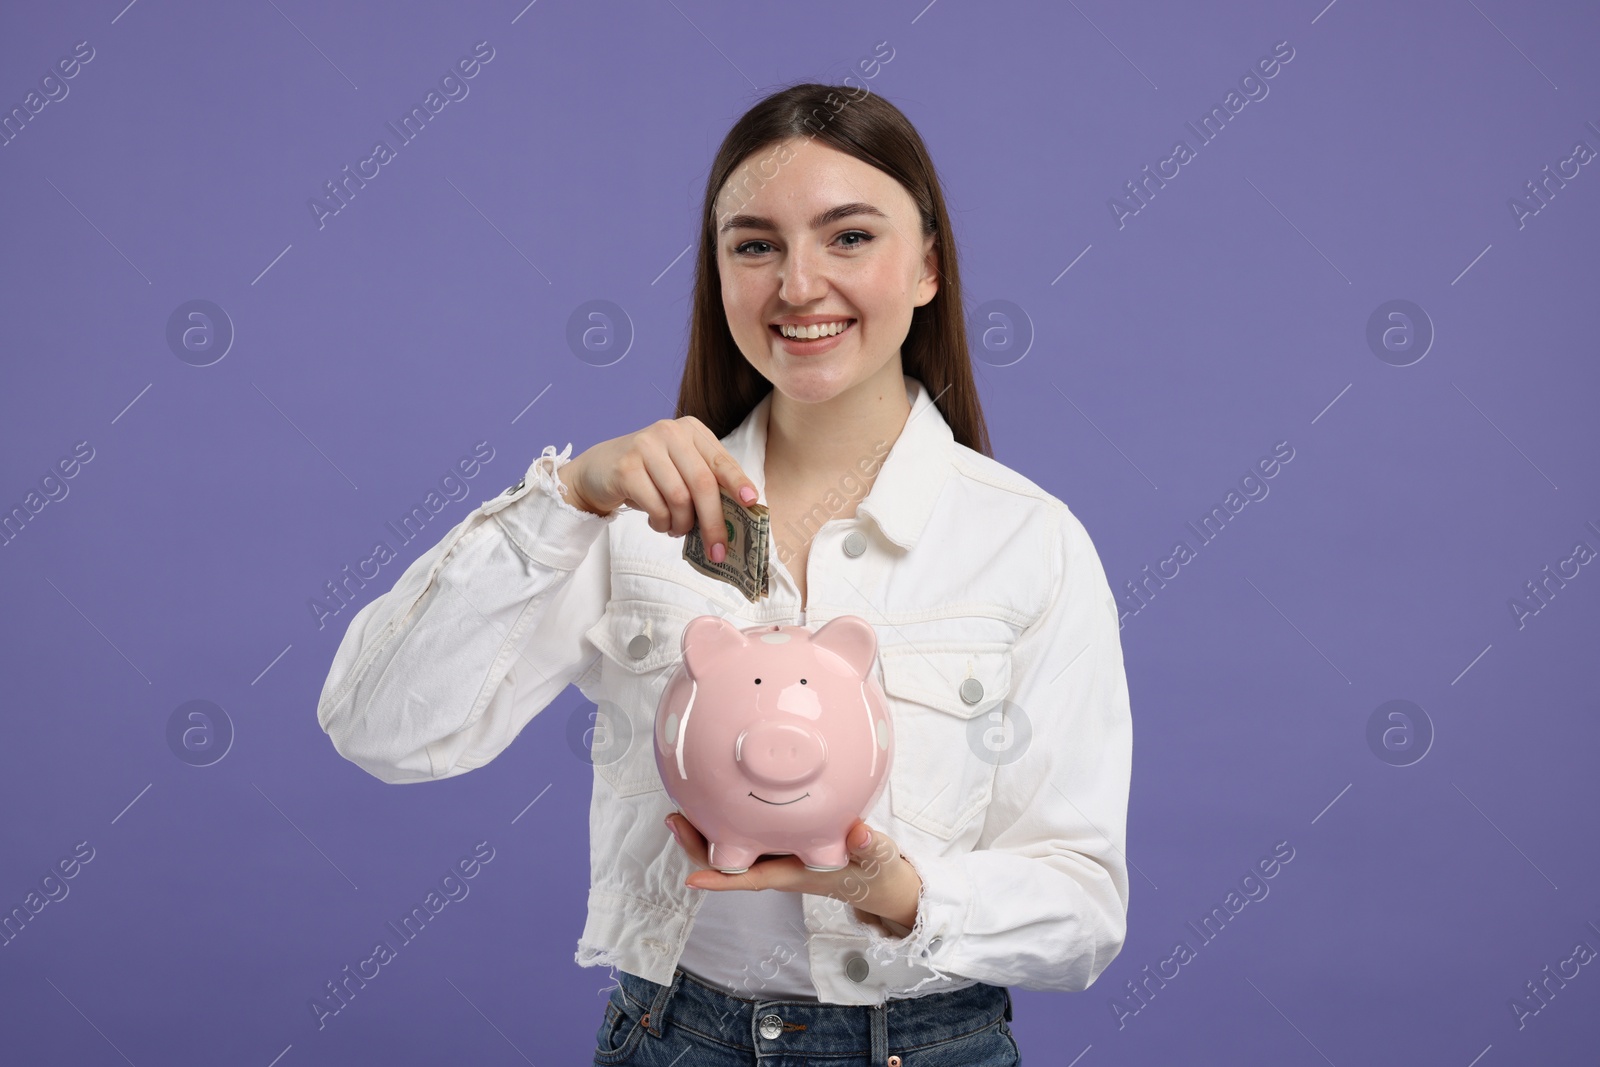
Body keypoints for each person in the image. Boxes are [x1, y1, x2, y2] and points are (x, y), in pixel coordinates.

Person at [317, 81, 1132, 1066]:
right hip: (677, 1037)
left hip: (923, 1044)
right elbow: (382, 726)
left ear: (926, 265)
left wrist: (893, 888)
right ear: (716, 272)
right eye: (755, 245)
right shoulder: (628, 518)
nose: (797, 285)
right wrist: (566, 496)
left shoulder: (1025, 540)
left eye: (848, 237)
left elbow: (1083, 907)